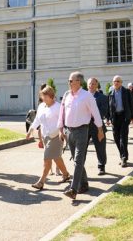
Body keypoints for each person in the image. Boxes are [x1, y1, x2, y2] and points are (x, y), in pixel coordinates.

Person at [58, 71, 104, 200]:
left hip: (82, 131)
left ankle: (73, 189)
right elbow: (62, 113)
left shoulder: (87, 96)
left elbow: (95, 113)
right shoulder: (67, 95)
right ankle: (83, 184)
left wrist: (100, 129)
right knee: (75, 160)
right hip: (69, 131)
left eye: (71, 80)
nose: (69, 82)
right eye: (69, 80)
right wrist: (61, 129)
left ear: (79, 82)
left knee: (78, 160)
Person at [26, 85, 70, 190]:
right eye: (42, 96)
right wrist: (30, 130)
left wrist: (61, 132)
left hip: (56, 136)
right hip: (46, 136)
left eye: (46, 96)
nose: (43, 98)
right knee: (56, 157)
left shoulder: (58, 107)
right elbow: (37, 119)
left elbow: (63, 121)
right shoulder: (41, 106)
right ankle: (66, 174)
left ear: (52, 96)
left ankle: (41, 182)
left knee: (47, 158)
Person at [107, 75, 133, 168]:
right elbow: (109, 107)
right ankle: (123, 156)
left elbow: (131, 104)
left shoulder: (126, 91)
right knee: (116, 138)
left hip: (124, 116)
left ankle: (124, 158)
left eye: (118, 81)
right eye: (114, 81)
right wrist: (108, 118)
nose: (116, 83)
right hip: (115, 117)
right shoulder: (111, 92)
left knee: (123, 138)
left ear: (121, 82)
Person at [87, 77, 108, 175]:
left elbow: (103, 112)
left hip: (97, 126)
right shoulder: (83, 96)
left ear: (97, 85)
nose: (91, 85)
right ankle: (80, 167)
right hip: (84, 126)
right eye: (90, 84)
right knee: (82, 148)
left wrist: (92, 113)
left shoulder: (102, 97)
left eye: (93, 84)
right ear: (87, 85)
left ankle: (101, 166)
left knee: (100, 147)